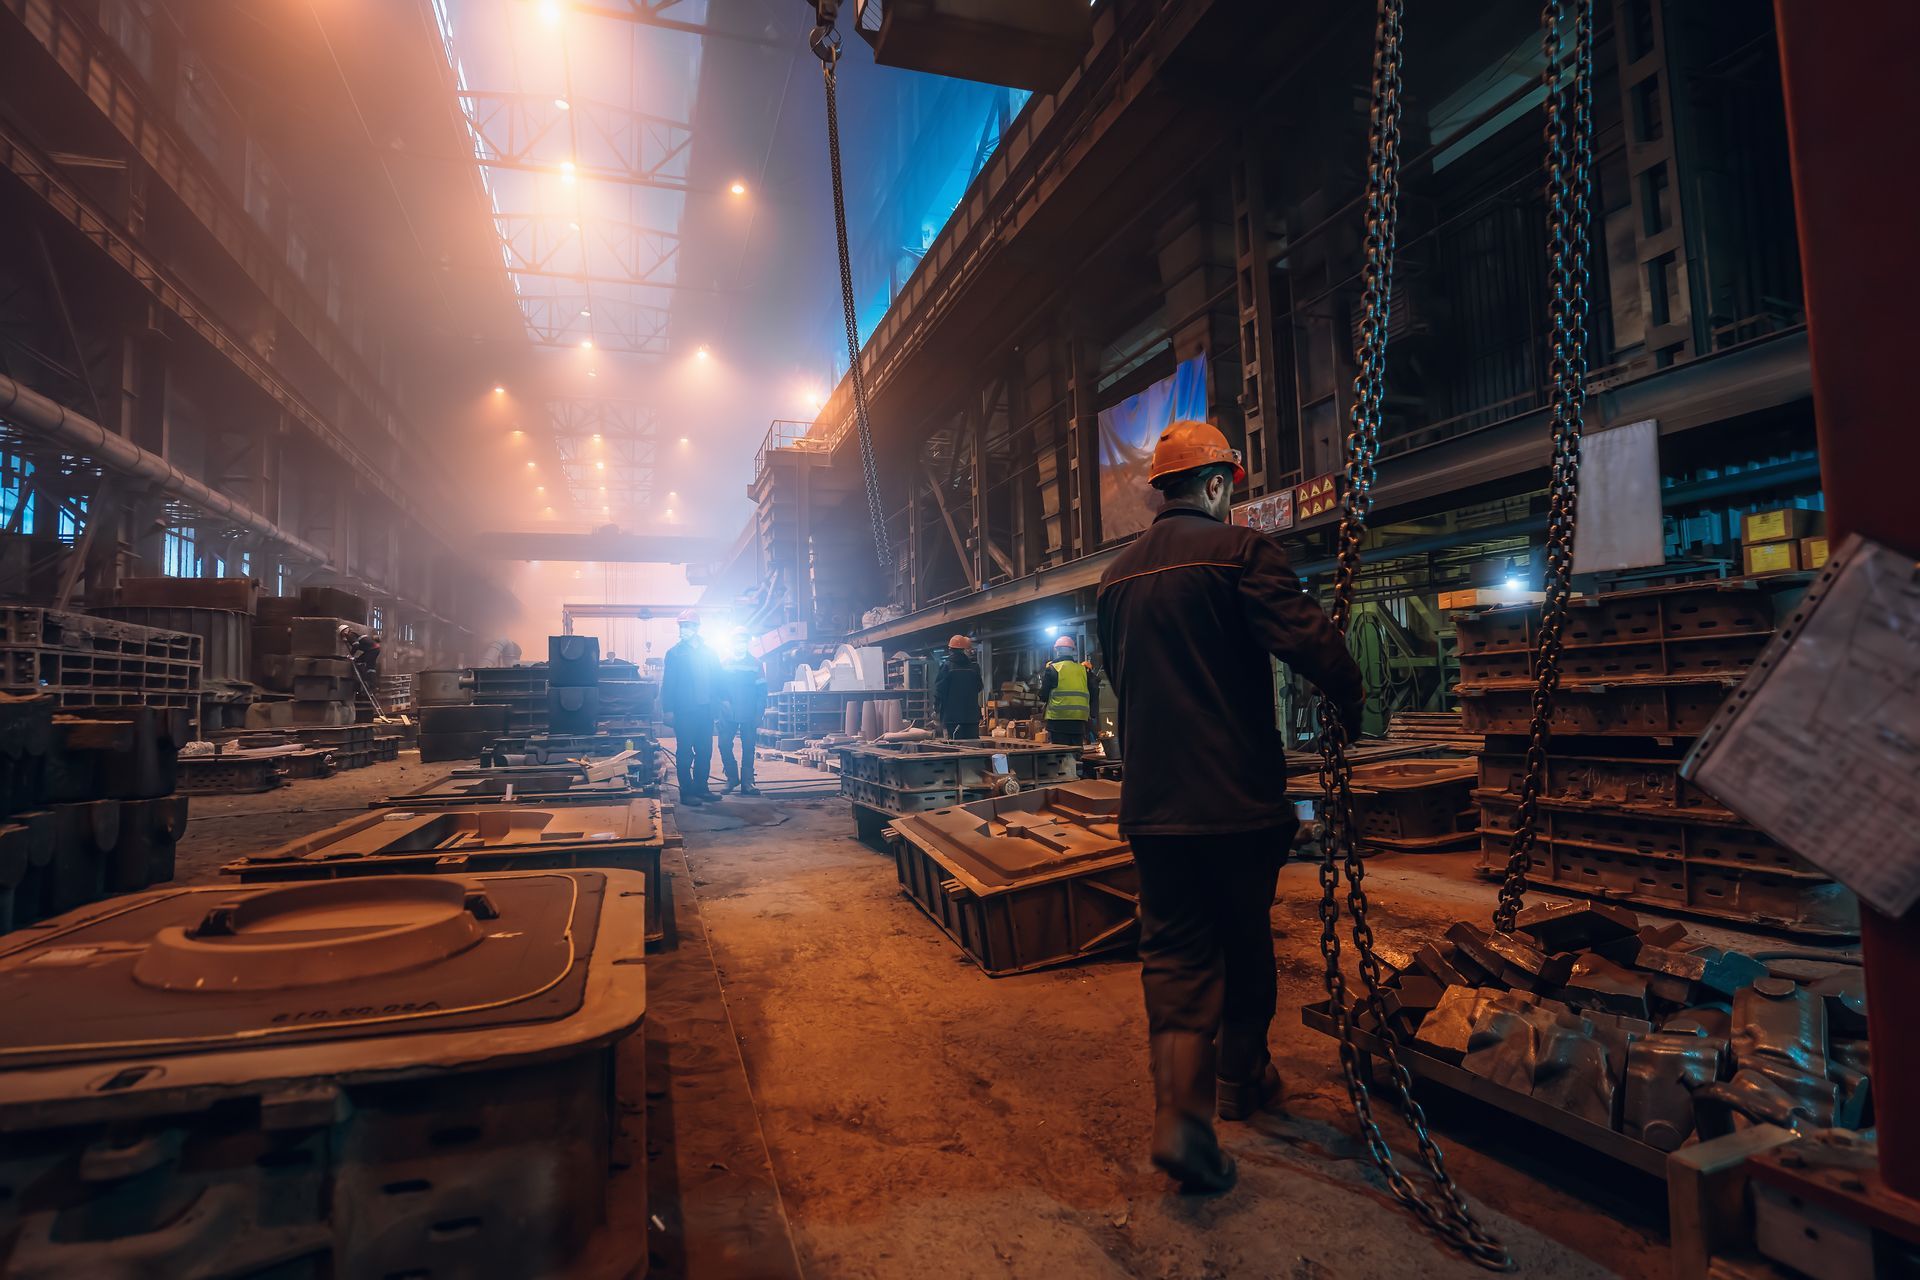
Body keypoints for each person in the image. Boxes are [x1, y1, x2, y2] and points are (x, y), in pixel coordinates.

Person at [1096, 418, 1364, 1194]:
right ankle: (1242, 1080)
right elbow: (1310, 643)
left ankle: (1184, 1123)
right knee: (1244, 942)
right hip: (1237, 803)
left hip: (1153, 806)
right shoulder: (1241, 553)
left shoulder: (1112, 578)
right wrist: (1351, 701)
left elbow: (1123, 676)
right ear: (1216, 486)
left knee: (1176, 957)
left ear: (1161, 489)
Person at [660, 611, 721, 805]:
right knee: (685, 752)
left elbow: (718, 680)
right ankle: (687, 793)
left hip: (705, 711)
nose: (683, 630)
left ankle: (701, 789)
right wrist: (668, 709)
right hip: (684, 711)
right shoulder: (674, 653)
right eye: (681, 626)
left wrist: (720, 704)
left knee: (704, 751)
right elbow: (668, 684)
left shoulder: (709, 652)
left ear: (696, 628)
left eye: (687, 626)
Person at [716, 636, 767, 797]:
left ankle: (747, 783)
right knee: (724, 744)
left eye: (743, 641)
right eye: (738, 641)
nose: (740, 644)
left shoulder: (756, 664)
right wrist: (722, 705)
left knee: (749, 747)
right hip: (728, 713)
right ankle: (732, 778)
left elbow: (762, 692)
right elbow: (718, 688)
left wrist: (759, 713)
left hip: (750, 712)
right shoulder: (724, 664)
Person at [1038, 634, 1095, 746]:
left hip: (1058, 722)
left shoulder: (1052, 669)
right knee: (1076, 754)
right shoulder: (1083, 670)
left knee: (1060, 756)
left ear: (1057, 650)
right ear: (1072, 650)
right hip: (1078, 722)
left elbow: (1043, 696)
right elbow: (1092, 694)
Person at [931, 634, 984, 739]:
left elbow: (939, 692)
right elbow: (979, 687)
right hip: (971, 718)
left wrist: (937, 710)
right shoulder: (974, 668)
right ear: (964, 650)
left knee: (955, 748)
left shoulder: (946, 667)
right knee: (973, 750)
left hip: (951, 719)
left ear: (950, 650)